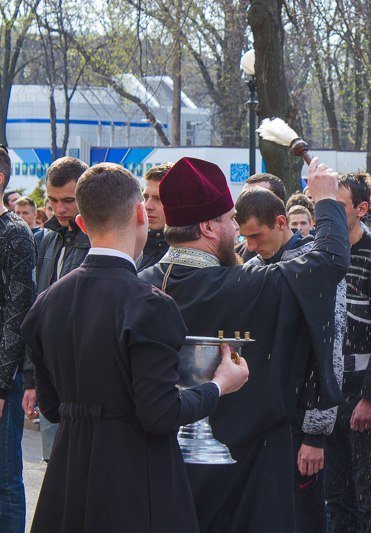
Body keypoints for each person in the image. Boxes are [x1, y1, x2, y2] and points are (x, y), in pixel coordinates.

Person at [21, 163, 250, 533]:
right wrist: (219, 385)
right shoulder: (148, 304)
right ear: (141, 214)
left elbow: (52, 407)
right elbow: (159, 412)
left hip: (69, 476)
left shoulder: (48, 301)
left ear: (81, 222)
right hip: (134, 478)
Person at [139, 156, 348, 532]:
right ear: (207, 226)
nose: (234, 230)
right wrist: (327, 201)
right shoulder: (244, 286)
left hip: (157, 466)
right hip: (247, 474)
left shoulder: (137, 286)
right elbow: (329, 262)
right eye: (228, 221)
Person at [236, 187, 345, 532]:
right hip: (261, 416)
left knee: (304, 517)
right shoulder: (251, 266)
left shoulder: (314, 266)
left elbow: (331, 347)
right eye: (244, 237)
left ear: (281, 222)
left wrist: (316, 433)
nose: (250, 246)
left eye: (256, 235)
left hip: (302, 415)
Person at [326, 173, 371, 532]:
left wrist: (369, 398)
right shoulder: (320, 255)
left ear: (362, 208)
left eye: (339, 207)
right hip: (328, 391)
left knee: (368, 497)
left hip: (362, 391)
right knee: (336, 496)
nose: (330, 214)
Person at [22, 156, 90, 462]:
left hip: (84, 379)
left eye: (68, 200)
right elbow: (33, 313)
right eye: (52, 200)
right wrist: (31, 380)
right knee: (55, 469)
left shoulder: (97, 241)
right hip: (49, 374)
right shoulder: (46, 240)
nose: (60, 209)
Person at [0, 146, 35, 533]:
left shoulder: (15, 233)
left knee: (5, 478)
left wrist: (2, 382)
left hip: (4, 378)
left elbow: (17, 313)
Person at [137, 163, 171, 271]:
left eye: (158, 199)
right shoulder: (132, 248)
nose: (147, 206)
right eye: (145, 197)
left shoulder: (186, 253)